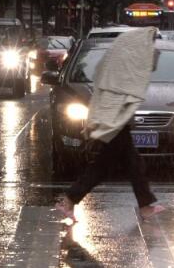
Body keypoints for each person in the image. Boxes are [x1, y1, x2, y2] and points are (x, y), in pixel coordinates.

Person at [55, 27, 165, 222]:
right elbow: (142, 72)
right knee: (108, 167)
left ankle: (145, 205)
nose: (153, 48)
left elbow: (148, 67)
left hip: (119, 122)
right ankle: (70, 199)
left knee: (128, 164)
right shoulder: (125, 65)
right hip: (116, 124)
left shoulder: (123, 61)